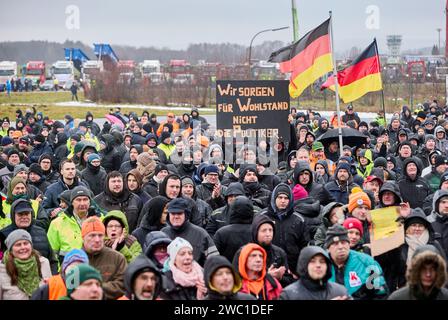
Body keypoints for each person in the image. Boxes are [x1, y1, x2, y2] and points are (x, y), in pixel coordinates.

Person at [325, 225, 388, 299]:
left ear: (349, 244)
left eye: (343, 242)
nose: (340, 247)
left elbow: (381, 294)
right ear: (328, 248)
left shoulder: (367, 262)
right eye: (335, 244)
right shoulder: (320, 265)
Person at [260, 183, 308, 274]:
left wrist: (299, 272)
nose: (283, 201)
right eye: (280, 197)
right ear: (274, 198)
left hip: (292, 271)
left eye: (286, 198)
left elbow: (304, 247)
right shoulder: (262, 217)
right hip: (267, 270)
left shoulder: (299, 220)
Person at [0, 199, 57, 274]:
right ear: (13, 215)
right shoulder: (3, 234)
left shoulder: (41, 232)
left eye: (27, 214)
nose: (24, 217)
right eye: (20, 214)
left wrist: (51, 278)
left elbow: (52, 261)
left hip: (42, 282)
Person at [47, 186, 101, 264]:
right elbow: (52, 254)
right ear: (72, 202)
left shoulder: (100, 220)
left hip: (94, 271)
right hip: (67, 272)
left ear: (90, 202)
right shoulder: (57, 223)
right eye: (78, 200)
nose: (82, 203)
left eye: (85, 199)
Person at [161, 198, 218, 266]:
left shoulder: (201, 234)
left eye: (179, 213)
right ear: (168, 215)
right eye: (173, 213)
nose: (176, 216)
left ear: (186, 214)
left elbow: (215, 261)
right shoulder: (163, 233)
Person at [81, 216, 127, 300]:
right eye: (92, 235)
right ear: (83, 237)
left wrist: (95, 290)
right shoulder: (73, 259)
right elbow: (67, 285)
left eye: (100, 235)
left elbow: (122, 284)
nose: (97, 239)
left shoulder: (117, 258)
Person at [280, 246, 350, 300]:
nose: (318, 265)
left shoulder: (340, 292)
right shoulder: (289, 295)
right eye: (312, 261)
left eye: (322, 261)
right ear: (304, 265)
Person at [0, 230, 52, 300]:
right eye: (18, 244)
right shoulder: (2, 268)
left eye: (26, 243)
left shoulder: (43, 263)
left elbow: (50, 292)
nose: (23, 247)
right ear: (11, 250)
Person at [213, 196, 254, 262]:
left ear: (232, 211)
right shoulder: (257, 231)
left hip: (228, 270)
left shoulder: (221, 233)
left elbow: (214, 258)